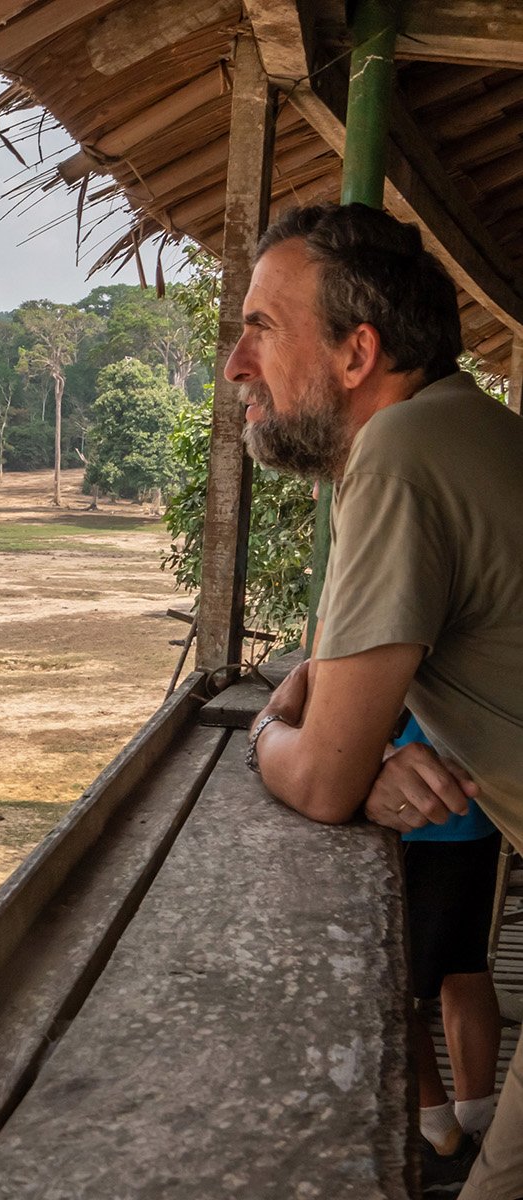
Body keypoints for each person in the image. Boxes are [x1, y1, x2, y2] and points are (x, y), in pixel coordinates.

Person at [231, 202, 523, 1190]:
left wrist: (272, 728)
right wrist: (366, 766)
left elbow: (316, 775)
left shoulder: (404, 452)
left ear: (357, 354)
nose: (236, 366)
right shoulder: (465, 433)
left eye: (262, 329)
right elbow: (340, 689)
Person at [394, 718, 506, 1154]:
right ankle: (475, 1123)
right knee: (465, 966)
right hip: (476, 806)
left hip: (418, 813)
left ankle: (439, 1130)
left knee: (394, 994)